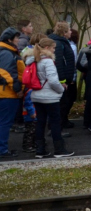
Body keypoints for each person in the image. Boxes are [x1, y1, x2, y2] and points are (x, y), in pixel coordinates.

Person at [27, 38, 72, 158]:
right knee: (55, 122)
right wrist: (61, 90)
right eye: (53, 47)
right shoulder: (47, 61)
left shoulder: (33, 60)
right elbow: (52, 81)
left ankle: (40, 150)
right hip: (50, 97)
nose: (54, 50)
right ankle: (59, 149)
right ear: (47, 48)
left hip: (36, 95)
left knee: (40, 122)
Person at [0, 28, 25, 159]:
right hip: (7, 94)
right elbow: (8, 74)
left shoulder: (7, 52)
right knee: (4, 122)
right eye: (16, 37)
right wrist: (18, 89)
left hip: (4, 92)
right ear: (9, 40)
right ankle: (2, 150)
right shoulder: (7, 53)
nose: (18, 40)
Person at [48, 22, 76, 130]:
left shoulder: (62, 42)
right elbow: (59, 63)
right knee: (61, 104)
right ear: (64, 32)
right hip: (61, 80)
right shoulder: (59, 44)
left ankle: (61, 124)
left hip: (65, 79)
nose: (71, 32)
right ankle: (56, 129)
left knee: (63, 103)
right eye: (69, 30)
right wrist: (62, 80)